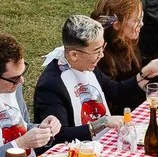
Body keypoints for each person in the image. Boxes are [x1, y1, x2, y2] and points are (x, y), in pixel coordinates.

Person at [93, 0, 158, 109]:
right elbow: (117, 96)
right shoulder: (100, 56)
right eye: (136, 21)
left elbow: (136, 69)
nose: (142, 24)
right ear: (117, 25)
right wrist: (145, 74)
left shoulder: (125, 41)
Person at [33, 13, 115, 143]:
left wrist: (144, 76)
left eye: (102, 48)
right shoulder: (51, 85)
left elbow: (114, 90)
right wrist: (103, 123)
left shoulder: (86, 65)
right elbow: (58, 136)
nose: (102, 55)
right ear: (74, 55)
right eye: (97, 51)